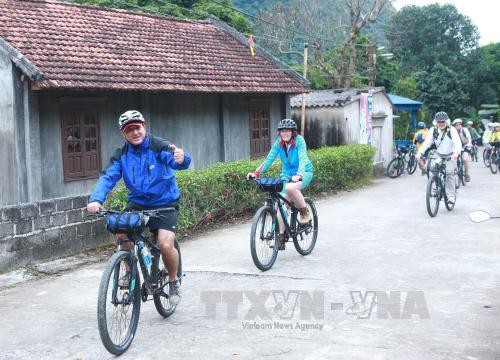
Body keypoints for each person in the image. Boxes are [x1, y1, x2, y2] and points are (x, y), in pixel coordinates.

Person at [87, 110, 191, 305]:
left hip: (165, 202)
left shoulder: (158, 146)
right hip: (138, 203)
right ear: (123, 134)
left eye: (137, 128)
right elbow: (108, 177)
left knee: (165, 244)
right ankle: (127, 269)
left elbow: (177, 161)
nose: (135, 133)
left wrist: (181, 159)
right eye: (129, 130)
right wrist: (96, 199)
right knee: (122, 233)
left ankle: (173, 280)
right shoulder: (121, 155)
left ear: (144, 127)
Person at [247, 119, 314, 250]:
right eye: (282, 131)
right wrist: (257, 173)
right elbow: (269, 158)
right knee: (280, 205)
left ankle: (304, 211)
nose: (285, 133)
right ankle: (281, 237)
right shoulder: (279, 143)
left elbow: (303, 158)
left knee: (290, 187)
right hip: (287, 175)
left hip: (304, 172)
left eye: (287, 131)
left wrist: (299, 174)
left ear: (293, 132)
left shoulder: (299, 141)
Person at [417, 111, 462, 205]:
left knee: (449, 173)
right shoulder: (433, 130)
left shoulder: (451, 130)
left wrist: (456, 153)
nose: (441, 123)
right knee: (433, 169)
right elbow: (427, 143)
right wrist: (420, 152)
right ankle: (439, 187)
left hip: (451, 154)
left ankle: (451, 196)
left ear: (446, 121)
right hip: (439, 154)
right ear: (436, 122)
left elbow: (458, 143)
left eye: (443, 121)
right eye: (439, 121)